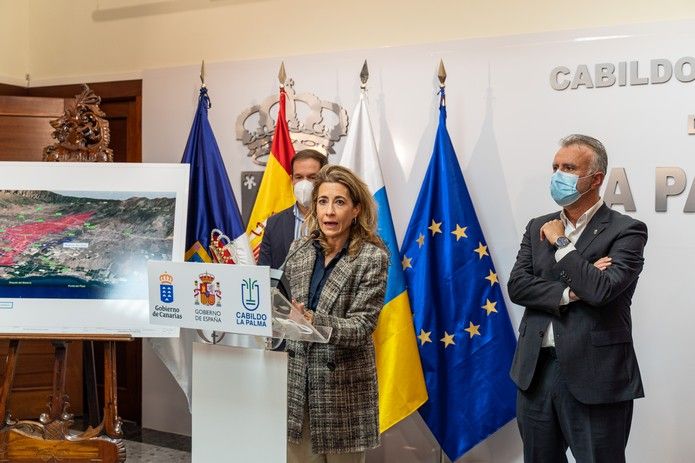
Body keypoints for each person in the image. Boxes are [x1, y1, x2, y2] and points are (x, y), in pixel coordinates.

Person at [508, 134, 648, 463]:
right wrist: (572, 290)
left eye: (569, 167)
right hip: (536, 373)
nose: (558, 174)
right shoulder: (536, 226)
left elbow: (601, 291)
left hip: (596, 376)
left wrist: (561, 244)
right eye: (555, 166)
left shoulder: (627, 230)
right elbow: (518, 286)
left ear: (595, 178)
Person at [283, 165, 388, 463]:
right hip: (298, 391)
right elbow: (286, 306)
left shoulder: (371, 257)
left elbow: (362, 326)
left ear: (356, 209)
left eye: (339, 202)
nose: (329, 211)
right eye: (323, 201)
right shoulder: (299, 249)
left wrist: (314, 320)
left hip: (344, 395)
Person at [258, 148, 327, 269]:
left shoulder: (334, 220)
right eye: (299, 177)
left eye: (312, 177)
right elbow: (264, 273)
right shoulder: (274, 223)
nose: (304, 184)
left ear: (324, 179)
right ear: (292, 180)